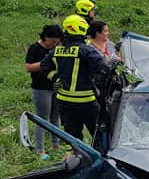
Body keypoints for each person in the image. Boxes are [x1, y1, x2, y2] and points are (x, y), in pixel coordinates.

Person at [40, 14, 111, 142]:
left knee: (72, 136)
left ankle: (74, 159)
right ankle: (102, 158)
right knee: (99, 134)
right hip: (86, 100)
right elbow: (103, 69)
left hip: (64, 100)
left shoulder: (56, 50)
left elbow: (44, 66)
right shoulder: (87, 51)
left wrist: (56, 78)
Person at [25, 24, 62, 160]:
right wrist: (46, 62)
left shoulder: (58, 48)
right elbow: (28, 67)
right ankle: (40, 150)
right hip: (40, 88)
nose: (53, 45)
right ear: (45, 38)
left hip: (55, 85)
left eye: (56, 43)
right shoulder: (34, 48)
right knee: (42, 118)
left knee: (55, 116)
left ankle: (55, 145)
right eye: (51, 42)